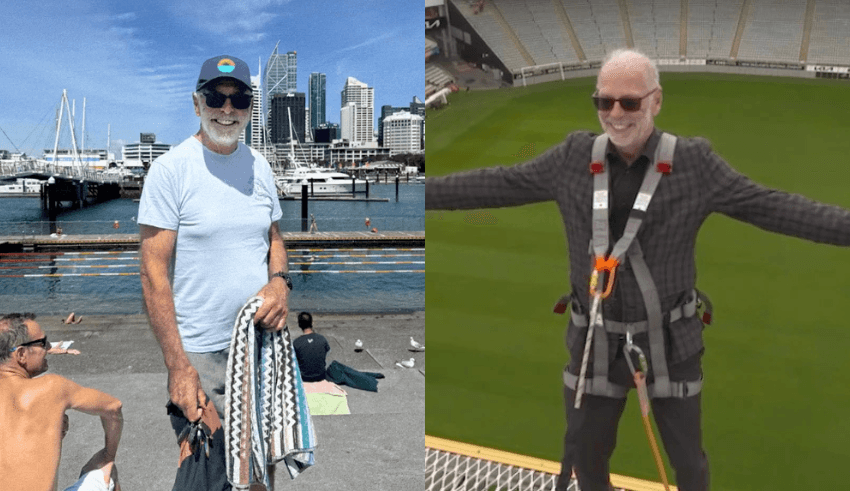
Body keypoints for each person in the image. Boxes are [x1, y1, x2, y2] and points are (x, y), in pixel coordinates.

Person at [425, 48, 850, 491]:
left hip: (671, 344)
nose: (615, 114)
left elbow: (771, 207)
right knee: (587, 464)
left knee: (690, 467)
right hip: (595, 342)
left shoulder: (694, 164)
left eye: (630, 102)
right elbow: (497, 184)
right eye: (603, 102)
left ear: (656, 101)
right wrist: (417, 194)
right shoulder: (573, 158)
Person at [138, 54, 292, 490]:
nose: (227, 109)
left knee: (261, 469)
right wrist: (178, 367)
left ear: (249, 107)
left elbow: (274, 238)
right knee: (210, 474)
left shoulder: (259, 166)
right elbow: (153, 273)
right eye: (216, 97)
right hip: (202, 356)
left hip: (260, 348)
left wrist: (279, 283)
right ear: (197, 102)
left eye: (239, 98)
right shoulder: (171, 170)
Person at [0, 313, 123, 491]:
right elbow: (113, 407)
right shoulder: (52, 387)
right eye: (43, 343)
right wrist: (108, 454)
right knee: (105, 470)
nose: (49, 348)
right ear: (21, 354)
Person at [293, 312, 331, 382]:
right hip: (321, 376)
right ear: (312, 322)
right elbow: (325, 352)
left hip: (304, 377)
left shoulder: (296, 342)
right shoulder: (322, 339)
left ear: (299, 324)